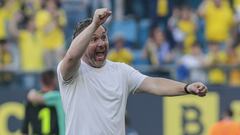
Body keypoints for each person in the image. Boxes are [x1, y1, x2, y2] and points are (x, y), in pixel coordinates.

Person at [57, 8, 208, 135]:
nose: (101, 43)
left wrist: (186, 87)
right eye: (94, 39)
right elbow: (71, 57)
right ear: (81, 42)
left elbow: (154, 84)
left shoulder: (121, 71)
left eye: (104, 37)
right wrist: (95, 24)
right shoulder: (71, 72)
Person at [26, 70, 65, 135]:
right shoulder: (58, 96)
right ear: (54, 81)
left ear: (41, 81)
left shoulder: (57, 97)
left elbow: (31, 96)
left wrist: (32, 92)